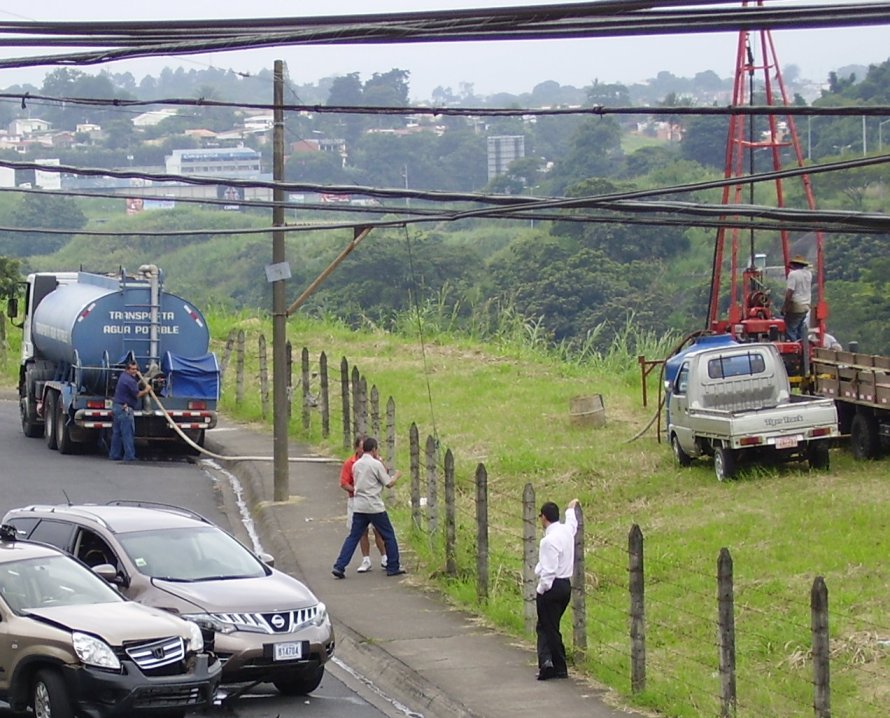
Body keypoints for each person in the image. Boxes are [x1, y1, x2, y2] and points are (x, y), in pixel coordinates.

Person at [332, 437, 406, 578]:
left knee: (353, 536)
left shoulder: (356, 464)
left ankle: (339, 566)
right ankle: (393, 566)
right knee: (388, 535)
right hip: (374, 505)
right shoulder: (376, 464)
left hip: (359, 505)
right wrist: (396, 476)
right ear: (374, 449)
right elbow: (388, 483)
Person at [534, 498, 579, 681]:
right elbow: (572, 523)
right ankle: (548, 662)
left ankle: (554, 665)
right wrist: (571, 509)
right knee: (548, 625)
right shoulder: (566, 531)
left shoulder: (548, 541)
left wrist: (541, 589)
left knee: (548, 627)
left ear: (543, 518)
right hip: (565, 585)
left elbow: (549, 572)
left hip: (552, 587)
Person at [340, 436, 387, 572]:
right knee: (361, 532)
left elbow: (382, 475)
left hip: (370, 499)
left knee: (377, 530)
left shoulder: (375, 462)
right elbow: (344, 482)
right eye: (361, 447)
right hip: (358, 500)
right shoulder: (351, 463)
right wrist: (356, 490)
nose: (363, 450)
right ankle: (366, 559)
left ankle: (384, 557)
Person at [109, 360, 150, 462]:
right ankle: (129, 456)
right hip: (124, 409)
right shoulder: (130, 381)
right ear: (127, 369)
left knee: (117, 433)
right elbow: (137, 395)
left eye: (136, 369)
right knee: (127, 433)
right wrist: (146, 390)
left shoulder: (123, 376)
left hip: (117, 407)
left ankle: (114, 454)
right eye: (132, 369)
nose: (134, 371)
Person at [782, 255, 812, 342]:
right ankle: (802, 346)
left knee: (790, 328)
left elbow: (790, 292)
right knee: (800, 328)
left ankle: (794, 348)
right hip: (806, 305)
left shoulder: (793, 275)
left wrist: (785, 307)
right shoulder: (808, 274)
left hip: (796, 305)